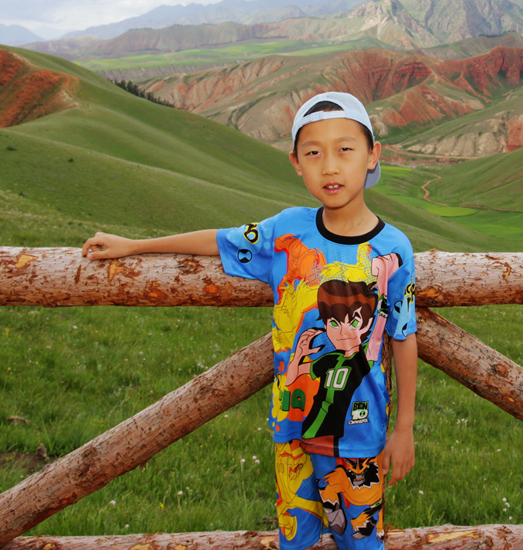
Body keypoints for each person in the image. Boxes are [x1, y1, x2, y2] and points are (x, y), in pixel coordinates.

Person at [83, 91, 417, 550]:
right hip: (293, 429)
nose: (330, 166)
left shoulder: (395, 249)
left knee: (361, 542)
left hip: (360, 434)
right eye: (313, 153)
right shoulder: (285, 231)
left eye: (345, 149)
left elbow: (403, 333)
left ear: (373, 155)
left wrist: (404, 429)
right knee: (296, 539)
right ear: (296, 163)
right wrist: (135, 245)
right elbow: (217, 240)